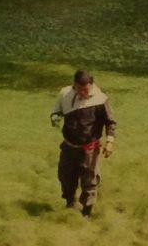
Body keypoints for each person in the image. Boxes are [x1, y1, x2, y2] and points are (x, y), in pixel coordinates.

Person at [50, 69, 117, 218]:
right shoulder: (65, 94)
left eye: (85, 90)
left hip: (89, 148)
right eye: (79, 90)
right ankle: (70, 202)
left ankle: (86, 212)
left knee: (89, 181)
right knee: (65, 176)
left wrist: (110, 142)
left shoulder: (100, 99)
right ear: (74, 85)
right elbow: (57, 111)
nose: (82, 93)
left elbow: (110, 122)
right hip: (69, 146)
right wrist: (55, 117)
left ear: (91, 85)